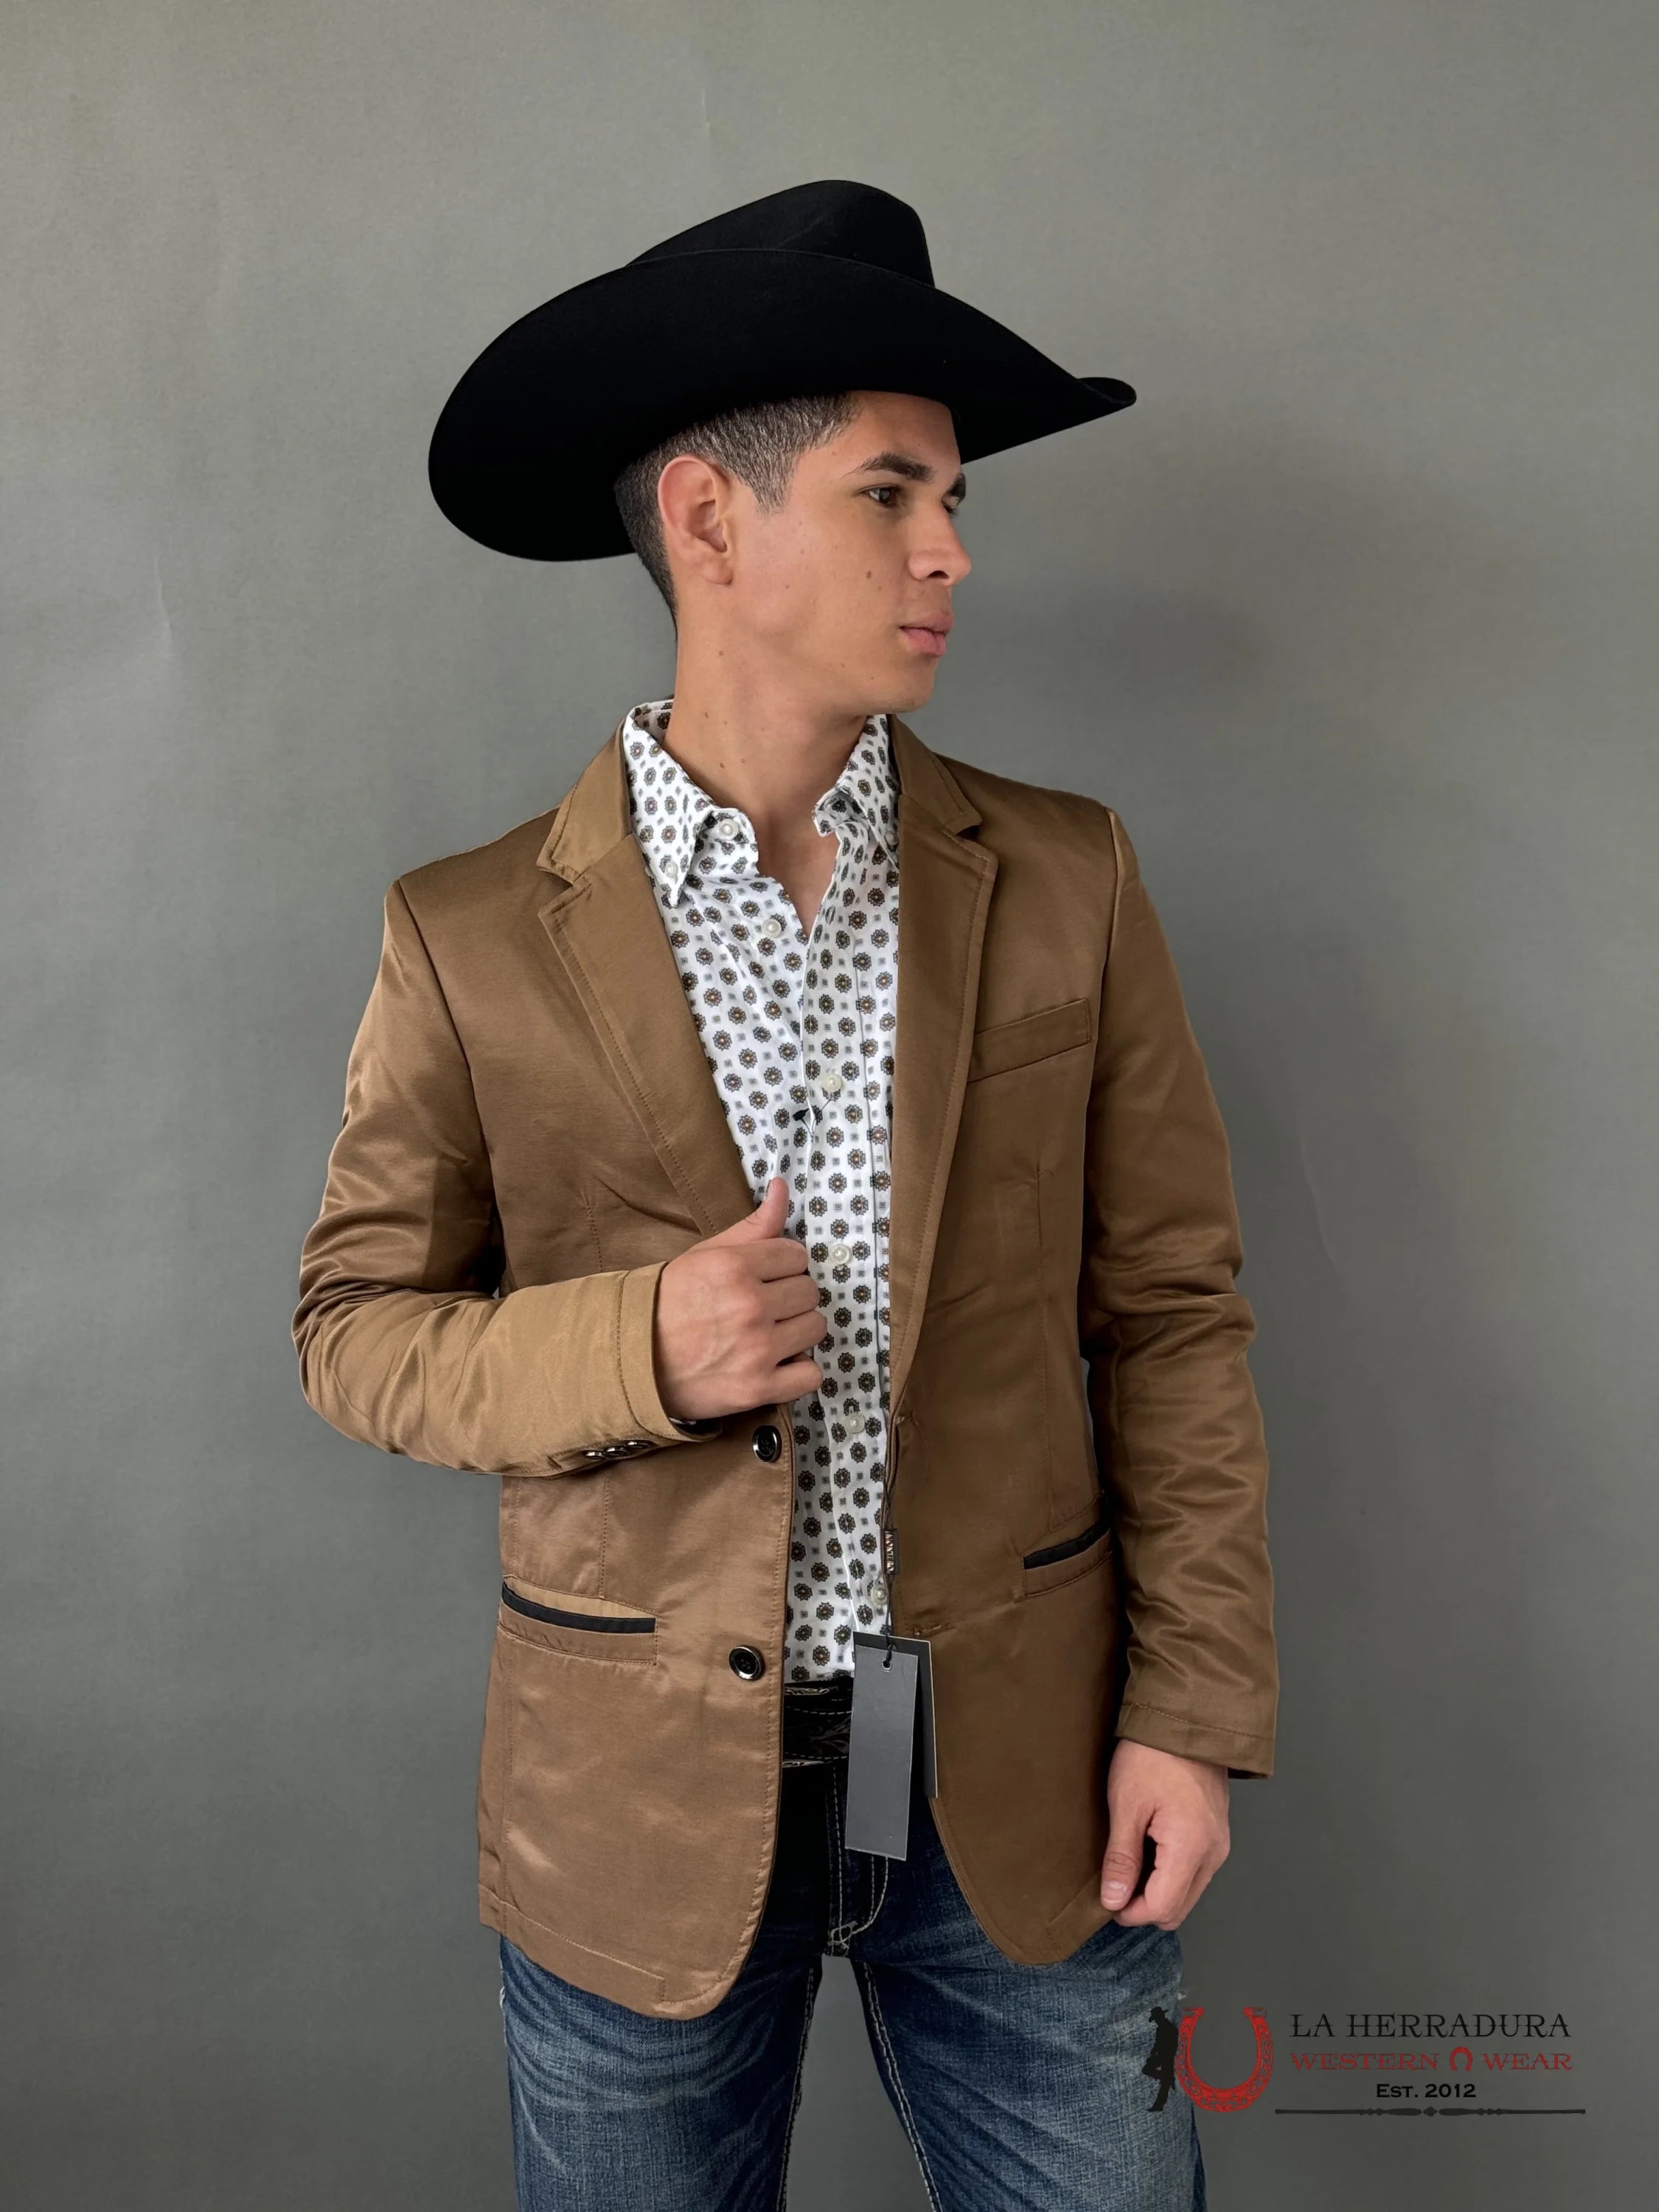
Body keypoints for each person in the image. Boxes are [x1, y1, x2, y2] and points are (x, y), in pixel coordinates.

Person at [293, 177, 1276, 2211]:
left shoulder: (1068, 879)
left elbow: (1171, 1316)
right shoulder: (467, 935)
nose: (953, 550)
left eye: (954, 500)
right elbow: (353, 1333)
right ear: (707, 521)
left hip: (1020, 1773)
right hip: (632, 1800)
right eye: (891, 494)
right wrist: (637, 1345)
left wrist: (1189, 1710)